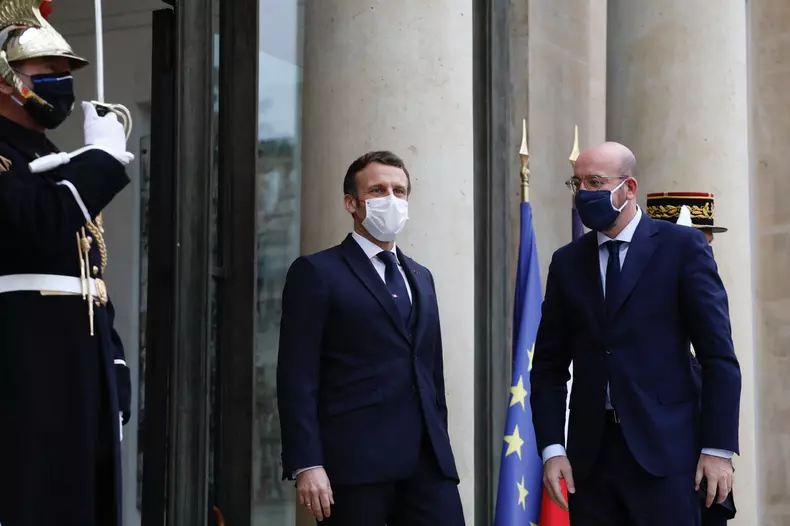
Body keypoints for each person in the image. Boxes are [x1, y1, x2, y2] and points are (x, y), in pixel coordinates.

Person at [530, 142, 741, 525]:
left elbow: (718, 357)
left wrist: (718, 448)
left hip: (667, 457)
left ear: (628, 188)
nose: (585, 193)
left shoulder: (681, 247)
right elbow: (548, 367)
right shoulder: (567, 262)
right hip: (590, 462)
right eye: (577, 183)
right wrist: (551, 449)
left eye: (596, 182)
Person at [0, 2, 135, 525]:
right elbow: (32, 223)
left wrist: (113, 361)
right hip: (26, 356)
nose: (61, 82)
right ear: (7, 78)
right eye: (48, 72)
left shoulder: (49, 152)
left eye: (63, 71)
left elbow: (88, 275)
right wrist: (99, 160)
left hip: (79, 359)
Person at [277, 151, 464, 525]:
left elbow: (431, 372)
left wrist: (441, 445)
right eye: (377, 190)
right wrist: (307, 462)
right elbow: (296, 376)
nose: (391, 200)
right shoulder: (316, 272)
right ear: (351, 203)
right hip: (354, 466)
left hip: (428, 465)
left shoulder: (421, 276)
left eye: (400, 190)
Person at [646, 192, 737, 525]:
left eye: (707, 243)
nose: (705, 251)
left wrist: (718, 450)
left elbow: (720, 362)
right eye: (699, 241)